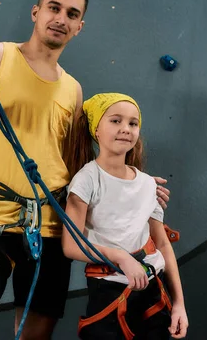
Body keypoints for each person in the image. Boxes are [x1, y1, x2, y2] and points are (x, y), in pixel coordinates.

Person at [0, 0, 171, 340]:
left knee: (35, 338)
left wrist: (134, 187)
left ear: (79, 27)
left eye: (72, 14)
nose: (61, 18)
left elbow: (81, 167)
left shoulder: (73, 89)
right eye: (54, 8)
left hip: (50, 225)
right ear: (36, 11)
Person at [62, 93, 188, 340]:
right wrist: (120, 256)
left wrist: (179, 304)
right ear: (96, 130)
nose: (125, 129)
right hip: (109, 290)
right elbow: (70, 245)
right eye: (115, 121)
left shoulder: (147, 184)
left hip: (154, 292)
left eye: (133, 123)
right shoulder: (86, 180)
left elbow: (162, 244)